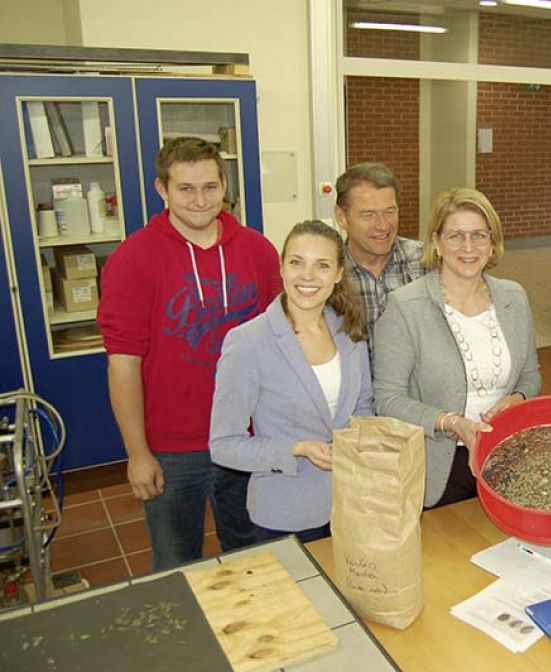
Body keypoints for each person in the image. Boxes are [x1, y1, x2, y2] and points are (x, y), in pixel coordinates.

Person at [97, 136, 280, 570]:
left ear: (224, 184)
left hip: (248, 436)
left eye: (210, 187)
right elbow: (123, 365)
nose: (199, 200)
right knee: (177, 563)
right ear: (162, 189)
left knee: (256, 556)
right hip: (172, 449)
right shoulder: (133, 259)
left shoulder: (258, 251)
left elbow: (280, 344)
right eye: (185, 189)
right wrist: (137, 452)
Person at [372, 187, 541, 509]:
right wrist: (450, 422)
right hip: (437, 465)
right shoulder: (405, 307)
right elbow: (387, 399)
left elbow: (530, 375)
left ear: (493, 243)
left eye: (479, 235)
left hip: (505, 457)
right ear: (436, 242)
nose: (468, 247)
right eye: (455, 236)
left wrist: (516, 398)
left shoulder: (513, 298)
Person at [209, 221, 373, 543]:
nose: (308, 276)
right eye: (297, 262)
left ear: (339, 273)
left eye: (322, 265)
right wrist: (297, 448)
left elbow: (363, 405)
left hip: (350, 505)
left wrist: (357, 439)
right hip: (286, 514)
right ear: (282, 267)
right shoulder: (248, 342)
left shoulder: (348, 332)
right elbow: (224, 446)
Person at [334, 162, 425, 349]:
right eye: (368, 215)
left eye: (389, 212)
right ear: (341, 217)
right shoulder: (330, 275)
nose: (383, 225)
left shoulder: (426, 261)